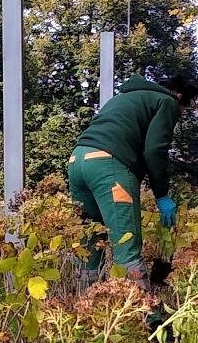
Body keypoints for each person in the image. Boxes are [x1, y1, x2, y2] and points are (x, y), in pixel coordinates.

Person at [67, 69, 189, 280]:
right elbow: (154, 149)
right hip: (108, 166)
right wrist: (161, 194)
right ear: (179, 97)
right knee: (126, 248)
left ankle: (85, 307)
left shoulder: (123, 98)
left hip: (77, 161)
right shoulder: (167, 102)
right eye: (182, 112)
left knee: (89, 245)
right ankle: (142, 312)